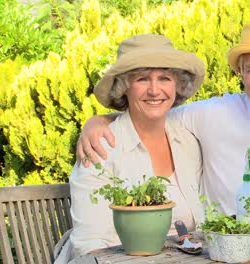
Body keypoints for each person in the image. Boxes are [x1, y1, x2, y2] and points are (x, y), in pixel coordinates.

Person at [77, 20, 250, 219]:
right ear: (241, 74)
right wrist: (100, 122)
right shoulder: (211, 114)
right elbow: (148, 115)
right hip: (225, 250)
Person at [67, 34, 205, 259]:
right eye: (142, 79)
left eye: (164, 78)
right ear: (124, 87)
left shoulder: (187, 141)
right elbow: (90, 246)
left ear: (177, 85)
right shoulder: (100, 148)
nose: (154, 90)